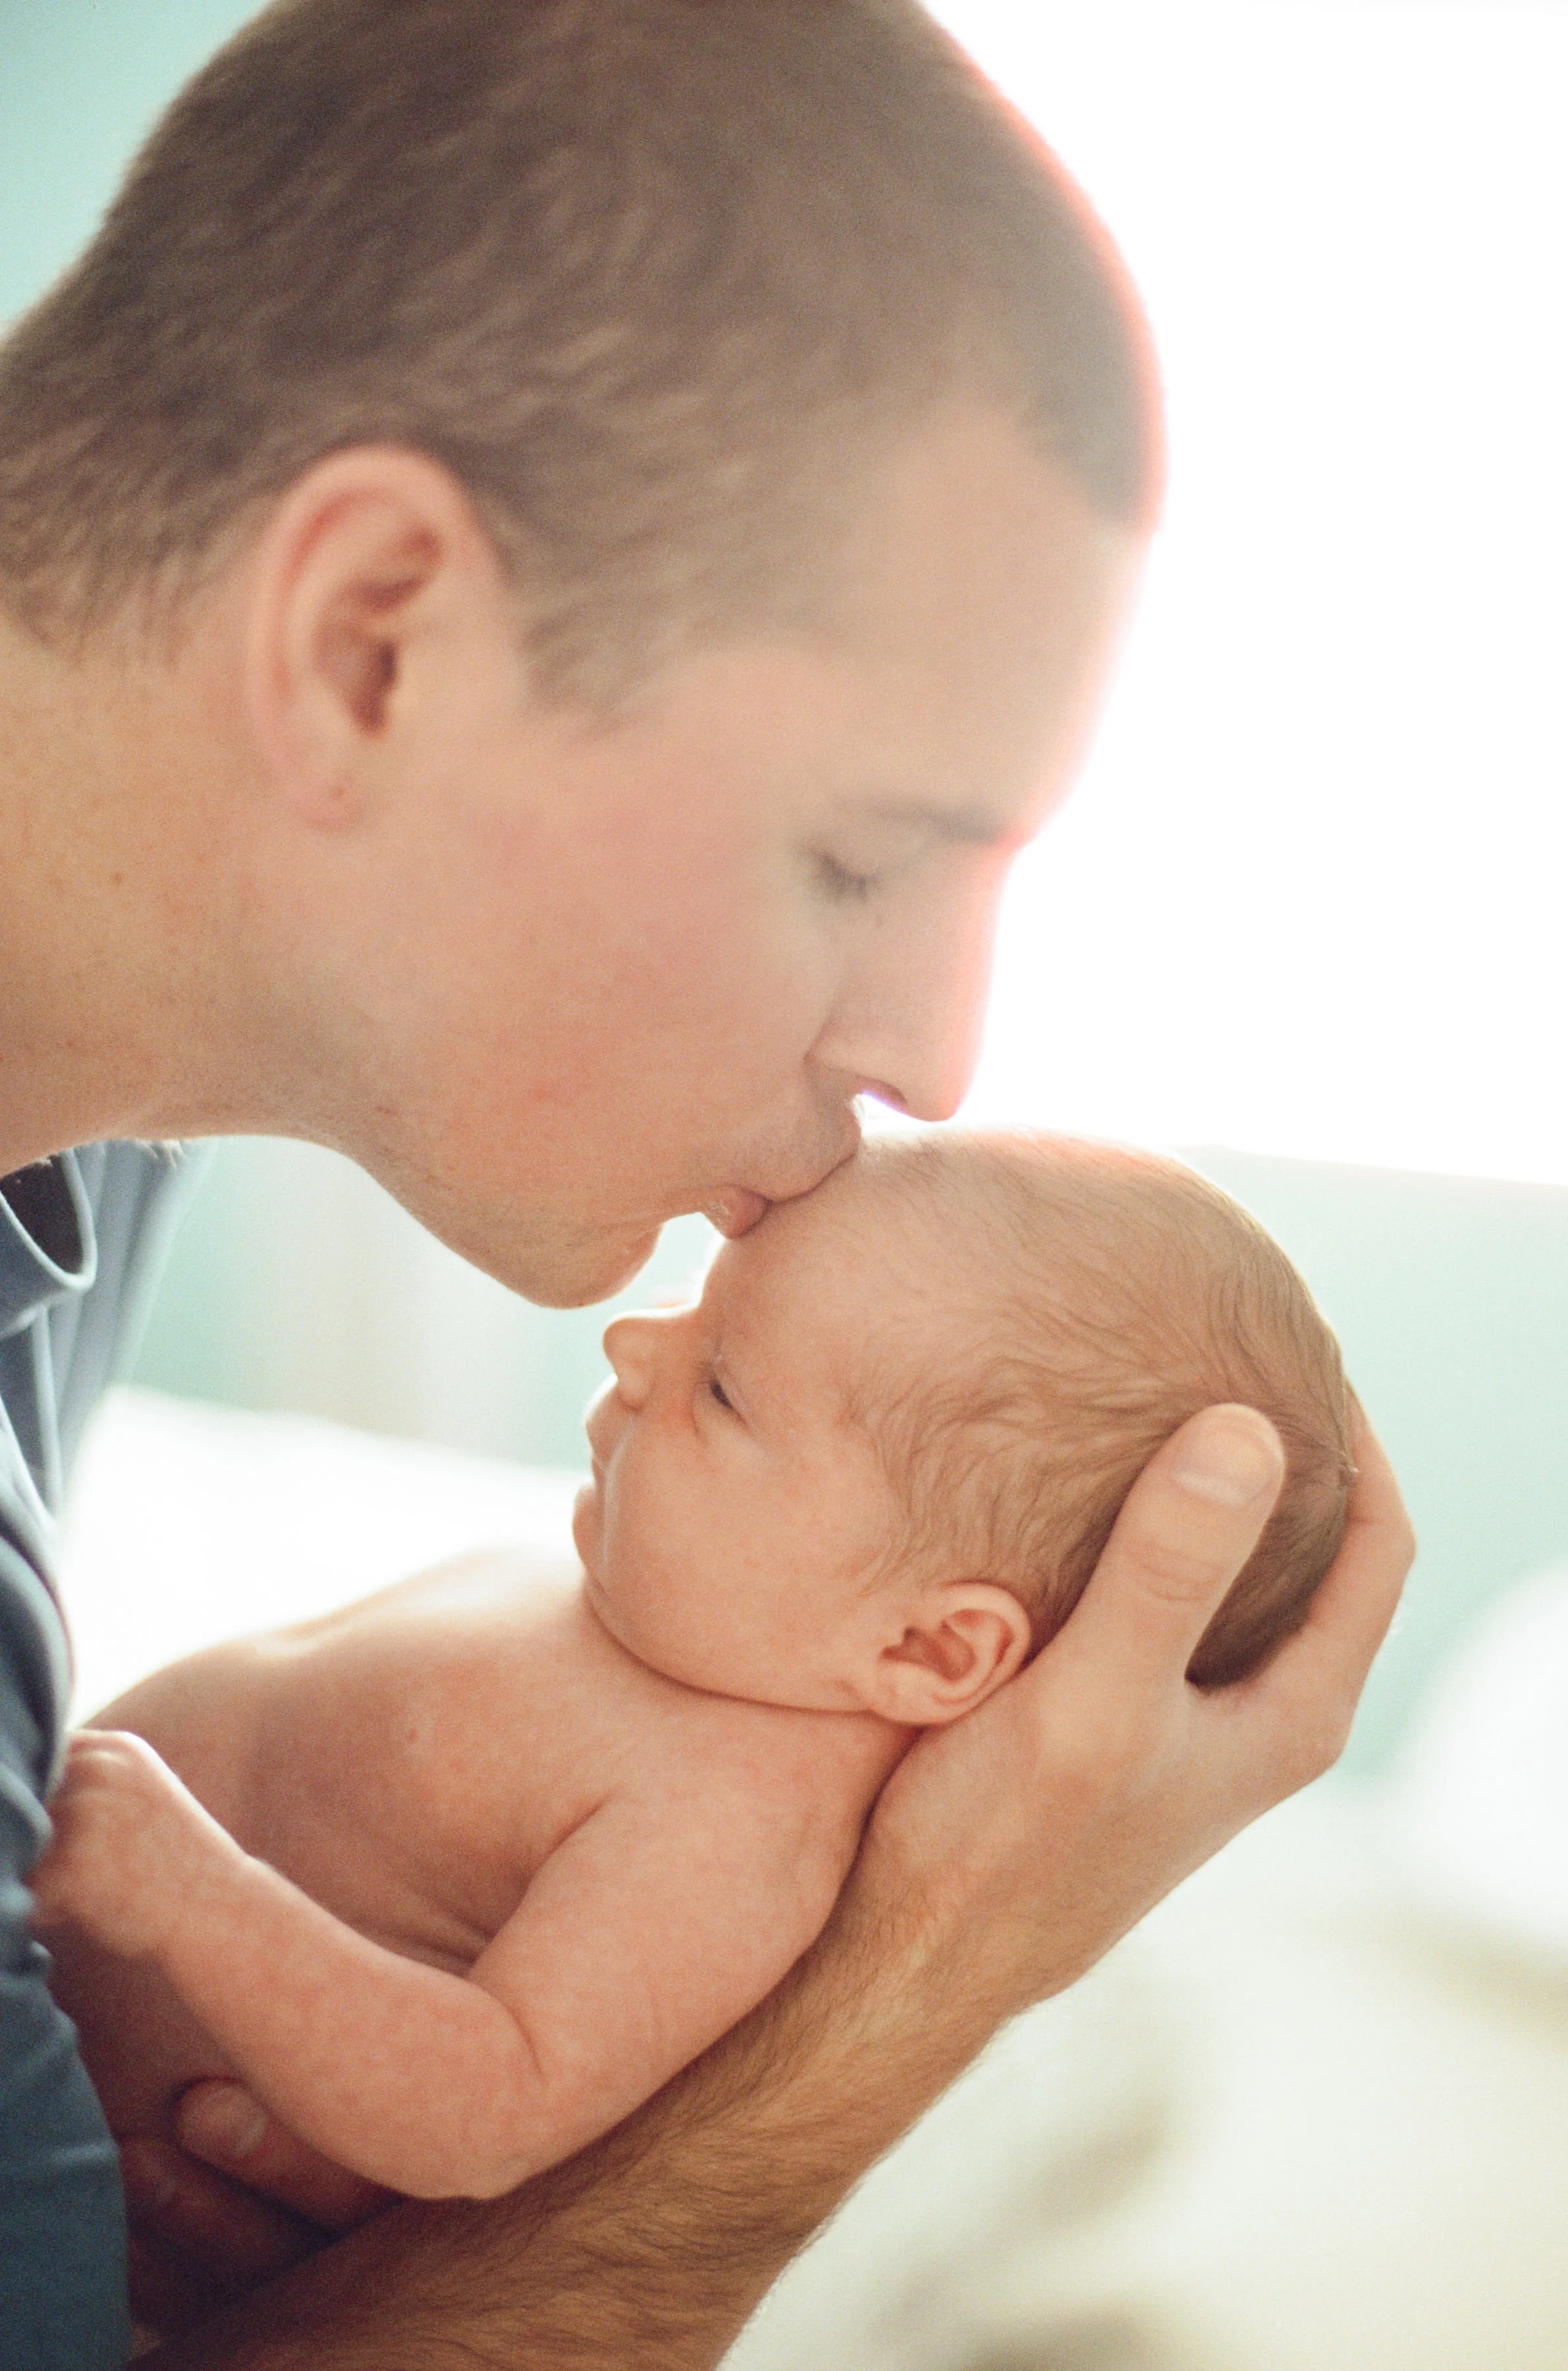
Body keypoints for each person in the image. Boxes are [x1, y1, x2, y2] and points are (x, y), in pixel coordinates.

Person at [0, 0, 1413, 2362]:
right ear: (373, 643)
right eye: (866, 854)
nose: (938, 1054)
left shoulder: (112, 1069)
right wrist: (926, 1972)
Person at [35, 1132, 1354, 2208]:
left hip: (85, 2148)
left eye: (722, 1386)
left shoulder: (729, 1812)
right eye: (697, 1303)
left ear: (925, 1647)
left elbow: (494, 2107)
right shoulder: (674, 1617)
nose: (634, 1345)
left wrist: (189, 1898)